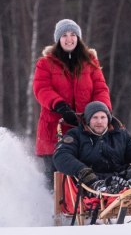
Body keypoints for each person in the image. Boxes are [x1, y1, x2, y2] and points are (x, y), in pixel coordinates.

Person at [33, 18, 112, 186]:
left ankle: (88, 209)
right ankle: (48, 210)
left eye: (73, 34)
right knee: (56, 182)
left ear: (78, 37)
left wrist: (101, 110)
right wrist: (60, 105)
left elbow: (100, 88)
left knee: (85, 178)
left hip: (85, 130)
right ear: (58, 39)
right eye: (64, 35)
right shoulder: (45, 63)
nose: (69, 39)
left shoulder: (90, 62)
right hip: (54, 130)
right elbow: (41, 89)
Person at [53, 102, 131, 191]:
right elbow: (61, 155)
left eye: (103, 117)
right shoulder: (75, 135)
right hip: (91, 183)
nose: (99, 121)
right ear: (87, 120)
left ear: (108, 119)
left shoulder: (121, 135)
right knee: (105, 188)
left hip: (123, 179)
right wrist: (82, 172)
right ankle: (109, 189)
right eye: (95, 117)